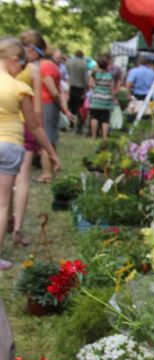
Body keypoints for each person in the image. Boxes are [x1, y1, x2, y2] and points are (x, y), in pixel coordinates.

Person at [0, 37, 60, 270]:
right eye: (21, 66)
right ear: (14, 60)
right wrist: (51, 152)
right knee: (3, 204)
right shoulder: (18, 87)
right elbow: (34, 126)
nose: (21, 71)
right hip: (10, 146)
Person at [36, 43, 72, 183]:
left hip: (46, 104)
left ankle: (47, 173)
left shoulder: (44, 67)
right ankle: (52, 168)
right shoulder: (52, 66)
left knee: (46, 139)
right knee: (50, 137)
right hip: (50, 104)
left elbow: (53, 90)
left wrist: (60, 105)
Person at [88, 54, 116, 140]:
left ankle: (93, 136)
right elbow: (112, 89)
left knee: (94, 117)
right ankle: (104, 137)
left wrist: (95, 87)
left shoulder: (95, 74)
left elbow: (90, 84)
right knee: (105, 119)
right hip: (106, 99)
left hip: (96, 98)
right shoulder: (110, 75)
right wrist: (114, 98)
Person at [66, 50, 88, 133]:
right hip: (80, 88)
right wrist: (85, 90)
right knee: (80, 108)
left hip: (70, 87)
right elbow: (86, 79)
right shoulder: (84, 64)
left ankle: (70, 124)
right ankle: (79, 126)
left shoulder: (68, 62)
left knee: (70, 107)